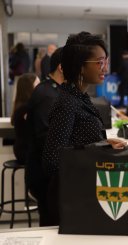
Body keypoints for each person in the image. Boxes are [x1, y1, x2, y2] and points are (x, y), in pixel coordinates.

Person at [42, 32, 126, 225]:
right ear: (80, 65)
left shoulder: (78, 96)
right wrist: (97, 148)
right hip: (71, 199)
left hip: (81, 192)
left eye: (105, 61)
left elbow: (76, 142)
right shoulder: (67, 102)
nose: (105, 67)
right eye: (99, 62)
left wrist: (103, 144)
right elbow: (52, 161)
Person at [25, 47, 64, 226]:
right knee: (51, 225)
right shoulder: (47, 95)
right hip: (45, 177)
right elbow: (48, 139)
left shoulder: (55, 91)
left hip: (51, 174)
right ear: (62, 68)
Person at [11, 73, 40, 164]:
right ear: (29, 88)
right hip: (25, 152)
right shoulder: (25, 108)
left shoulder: (21, 107)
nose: (41, 87)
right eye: (38, 84)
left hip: (23, 149)